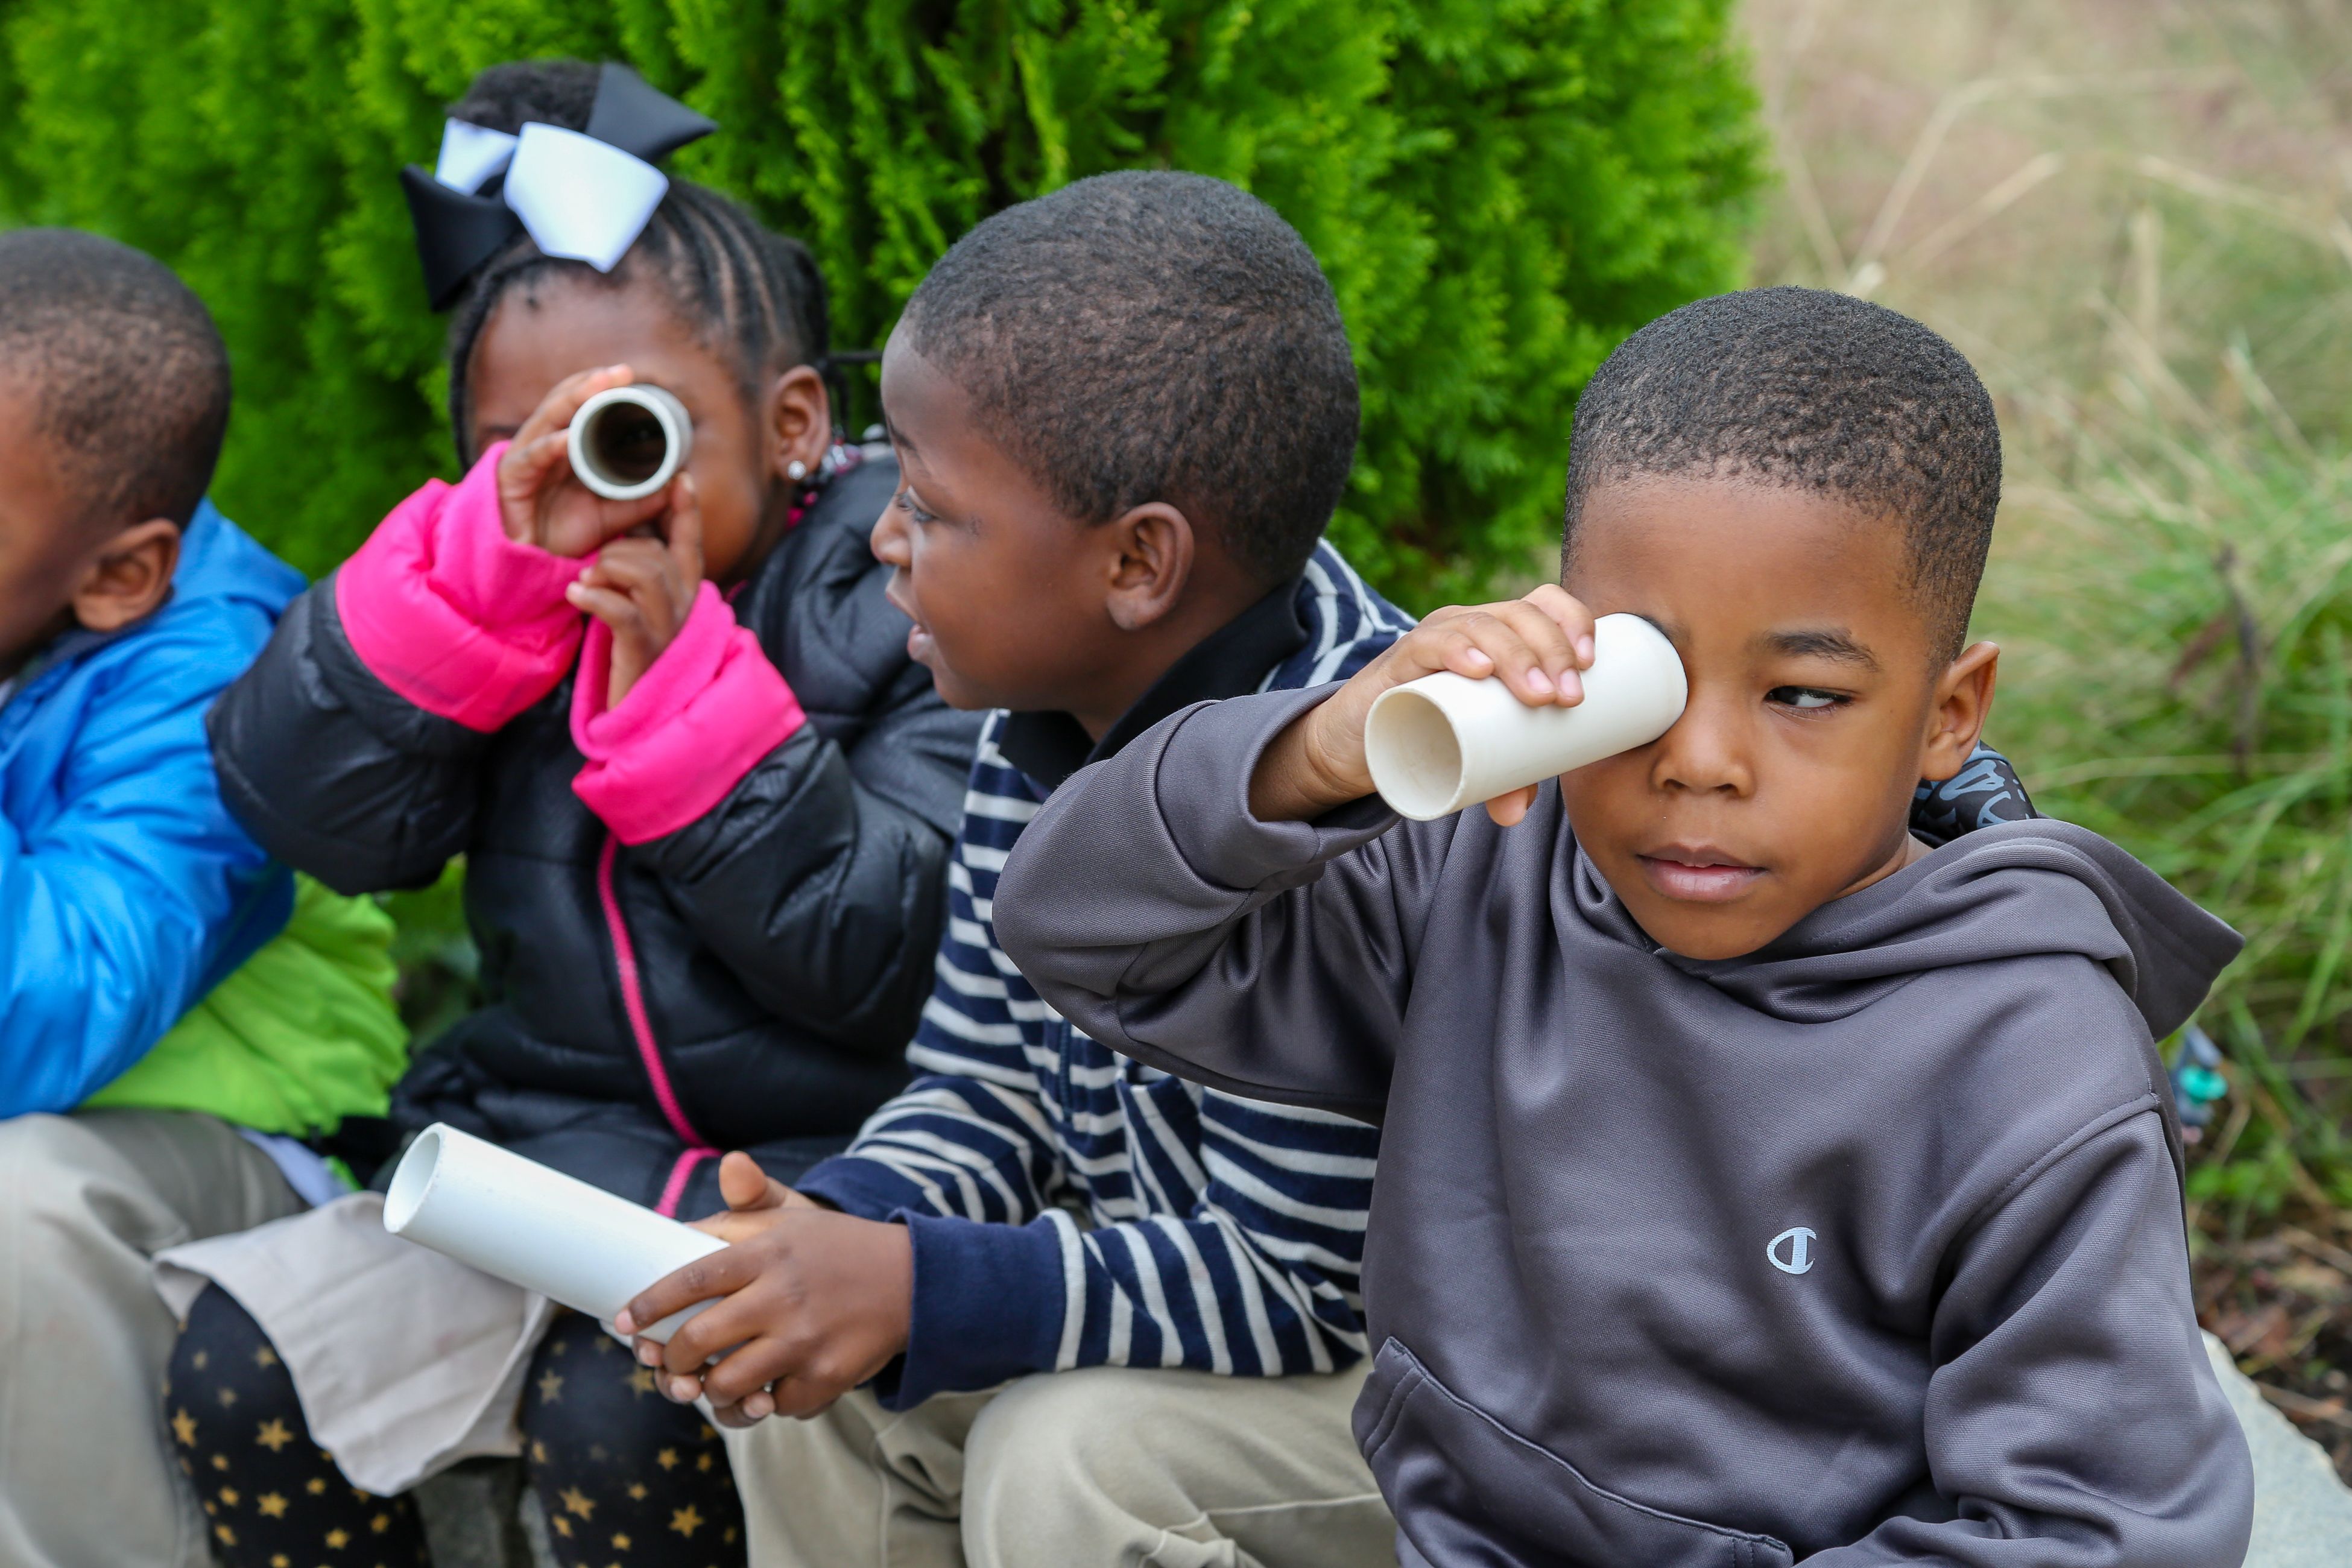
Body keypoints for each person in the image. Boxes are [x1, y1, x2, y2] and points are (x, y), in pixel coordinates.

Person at [612, 185, 2041, 1568]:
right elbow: (985, 1076)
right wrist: (847, 1232)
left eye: (932, 505)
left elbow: (1310, 1284)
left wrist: (929, 1286)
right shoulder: (1026, 739)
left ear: (1138, 564)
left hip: (1394, 1380)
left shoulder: (1422, 788)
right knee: (817, 1393)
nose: (883, 538)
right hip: (1219, 1330)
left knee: (1068, 1455)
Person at [987, 286, 2257, 1566]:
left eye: (1804, 694)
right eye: (1644, 676)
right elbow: (1079, 930)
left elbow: (2104, 1529)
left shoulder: (2029, 1061)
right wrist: (1324, 744)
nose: (1700, 761)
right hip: (1460, 1524)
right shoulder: (1485, 869)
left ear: (1948, 711)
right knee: (1071, 1460)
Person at [164, 60, 979, 1568]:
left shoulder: (909, 593)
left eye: (642, 430)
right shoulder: (507, 603)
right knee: (248, 1357)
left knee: (631, 1404)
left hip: (814, 1184)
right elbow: (315, 817)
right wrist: (466, 595)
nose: (594, 478)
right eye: (518, 439)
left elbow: (890, 962)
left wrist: (689, 705)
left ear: (796, 422)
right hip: (543, 1160)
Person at [0, 229, 406, 1568]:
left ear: (119, 572)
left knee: (14, 1211)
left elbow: (43, 1023)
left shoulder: (216, 687)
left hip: (232, 1158)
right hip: (72, 1130)